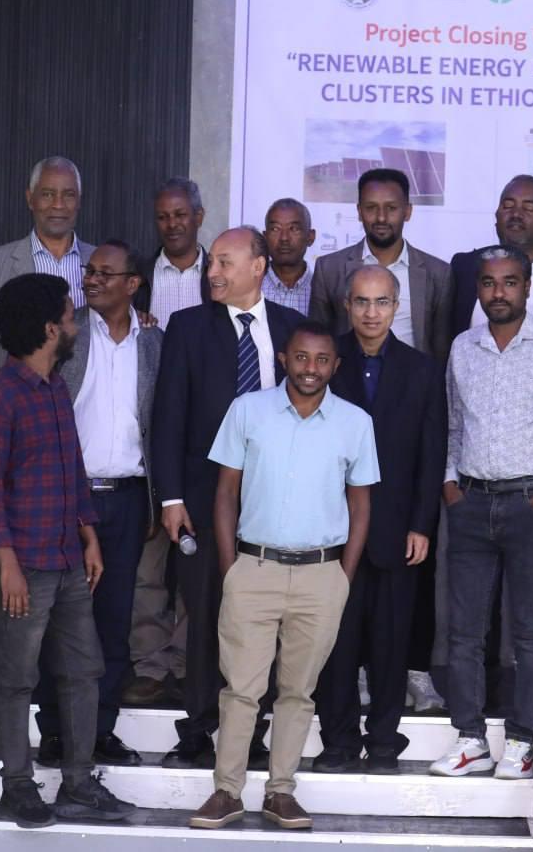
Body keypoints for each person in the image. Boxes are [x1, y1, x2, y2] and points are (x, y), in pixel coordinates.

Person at [189, 321, 379, 830]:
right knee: (242, 688)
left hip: (322, 575)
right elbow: (225, 492)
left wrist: (343, 575)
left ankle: (280, 792)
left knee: (298, 692)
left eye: (322, 360)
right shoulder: (247, 410)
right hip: (254, 569)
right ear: (283, 359)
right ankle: (226, 792)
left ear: (335, 366)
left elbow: (361, 506)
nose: (310, 368)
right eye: (301, 357)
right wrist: (231, 568)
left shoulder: (355, 423)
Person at [0, 273, 133, 828]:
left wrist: (88, 533)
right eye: (67, 316)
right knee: (16, 678)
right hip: (24, 567)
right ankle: (17, 787)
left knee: (84, 670)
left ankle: (79, 783)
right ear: (47, 328)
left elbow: (72, 471)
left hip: (65, 559)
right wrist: (7, 565)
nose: (74, 325)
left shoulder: (56, 387)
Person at [430, 248, 533, 780]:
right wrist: (450, 482)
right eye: (488, 283)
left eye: (509, 282)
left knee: (530, 631)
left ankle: (522, 741)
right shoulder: (463, 348)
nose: (498, 292)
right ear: (478, 289)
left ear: (527, 287)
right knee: (464, 633)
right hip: (471, 504)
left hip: (532, 505)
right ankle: (470, 740)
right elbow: (453, 425)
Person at [151, 227, 306, 770]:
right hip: (201, 499)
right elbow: (168, 417)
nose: (212, 272)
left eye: (223, 262)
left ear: (258, 266)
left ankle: (252, 731)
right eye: (211, 263)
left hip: (276, 502)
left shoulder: (292, 328)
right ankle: (198, 728)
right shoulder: (187, 327)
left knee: (266, 619)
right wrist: (170, 499)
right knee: (206, 614)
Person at [34, 241, 163, 766]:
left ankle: (99, 730)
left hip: (129, 499)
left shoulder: (154, 341)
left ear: (133, 284)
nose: (91, 279)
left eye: (105, 274)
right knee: (59, 618)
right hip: (69, 496)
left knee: (113, 622)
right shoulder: (66, 333)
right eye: (89, 271)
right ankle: (55, 731)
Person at [313, 266, 446, 774]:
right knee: (337, 641)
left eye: (382, 302)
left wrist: (422, 525)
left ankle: (385, 741)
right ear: (347, 305)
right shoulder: (327, 361)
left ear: (397, 306)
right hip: (332, 528)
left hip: (396, 530)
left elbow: (431, 455)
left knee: (391, 643)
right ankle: (339, 742)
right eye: (362, 302)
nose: (372, 313)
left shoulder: (422, 369)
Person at [0, 156, 94, 375]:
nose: (58, 204)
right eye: (47, 194)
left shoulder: (103, 266)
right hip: (14, 397)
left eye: (68, 194)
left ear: (79, 201)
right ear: (30, 199)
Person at [308, 168, 452, 361]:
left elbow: (441, 350)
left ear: (407, 211)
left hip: (413, 378)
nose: (381, 218)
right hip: (346, 378)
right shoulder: (329, 269)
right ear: (359, 211)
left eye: (391, 208)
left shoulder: (438, 273)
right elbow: (317, 341)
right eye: (371, 208)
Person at [448, 175, 533, 343]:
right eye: (508, 206)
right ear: (496, 216)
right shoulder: (464, 266)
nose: (516, 214)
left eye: (528, 208)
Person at [136, 177, 211, 328]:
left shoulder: (218, 276)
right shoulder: (139, 277)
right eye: (162, 217)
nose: (171, 224)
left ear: (199, 217)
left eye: (180, 215)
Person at [261, 197, 317, 315]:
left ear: (310, 237)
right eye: (275, 229)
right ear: (265, 238)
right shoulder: (250, 286)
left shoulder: (322, 290)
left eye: (294, 229)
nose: (284, 238)